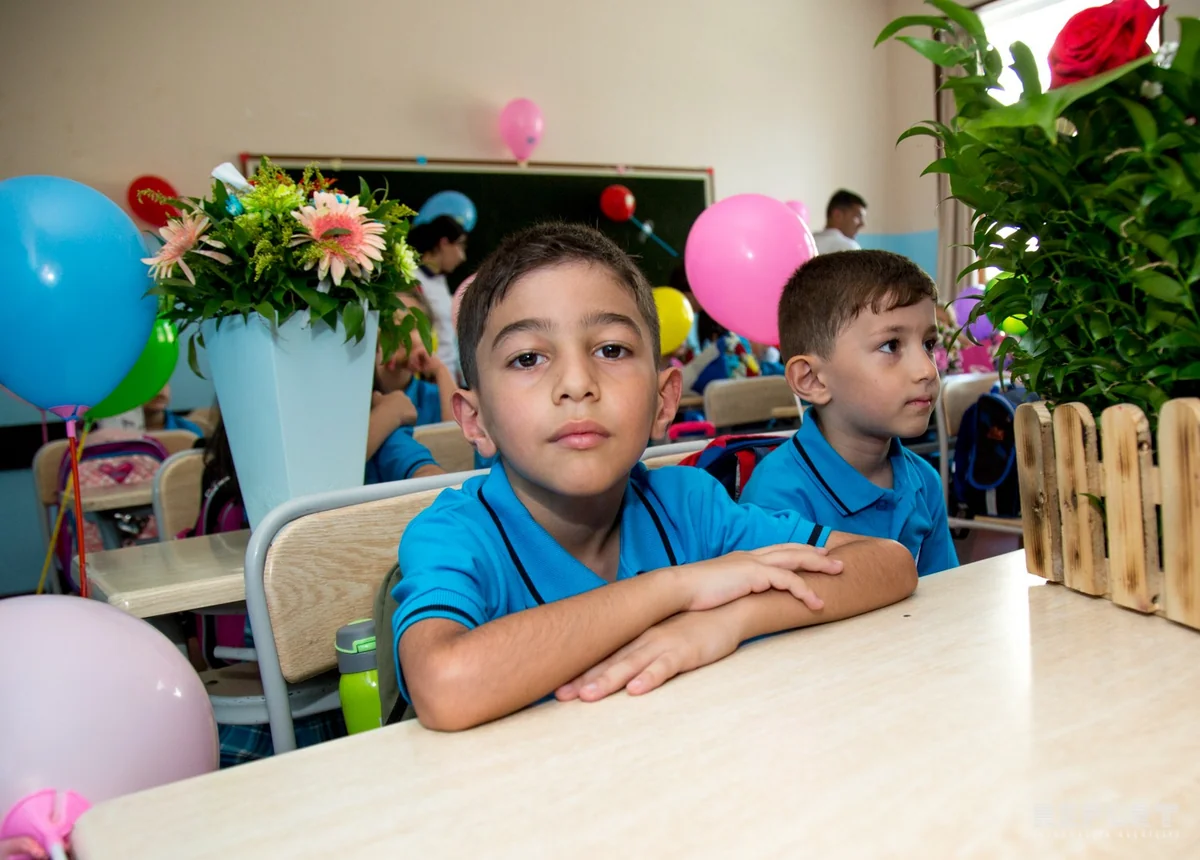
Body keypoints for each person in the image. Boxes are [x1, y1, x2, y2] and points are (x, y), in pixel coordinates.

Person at [391, 223, 918, 731]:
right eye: (527, 358)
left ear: (664, 401)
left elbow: (889, 564)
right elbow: (444, 684)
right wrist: (675, 589)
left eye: (611, 350)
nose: (576, 383)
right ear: (475, 421)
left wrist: (728, 620)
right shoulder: (457, 533)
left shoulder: (689, 505)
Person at [740, 250, 958, 577]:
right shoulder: (776, 498)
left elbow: (947, 596)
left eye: (928, 344)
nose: (927, 370)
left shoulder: (923, 480)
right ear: (812, 380)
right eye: (891, 345)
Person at [407, 215, 469, 385]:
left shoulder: (440, 281)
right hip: (428, 378)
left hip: (449, 377)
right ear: (444, 243)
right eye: (460, 246)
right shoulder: (412, 279)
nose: (462, 256)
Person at [812, 190, 867, 255]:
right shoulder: (850, 249)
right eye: (858, 216)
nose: (862, 224)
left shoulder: (809, 243)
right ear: (837, 215)